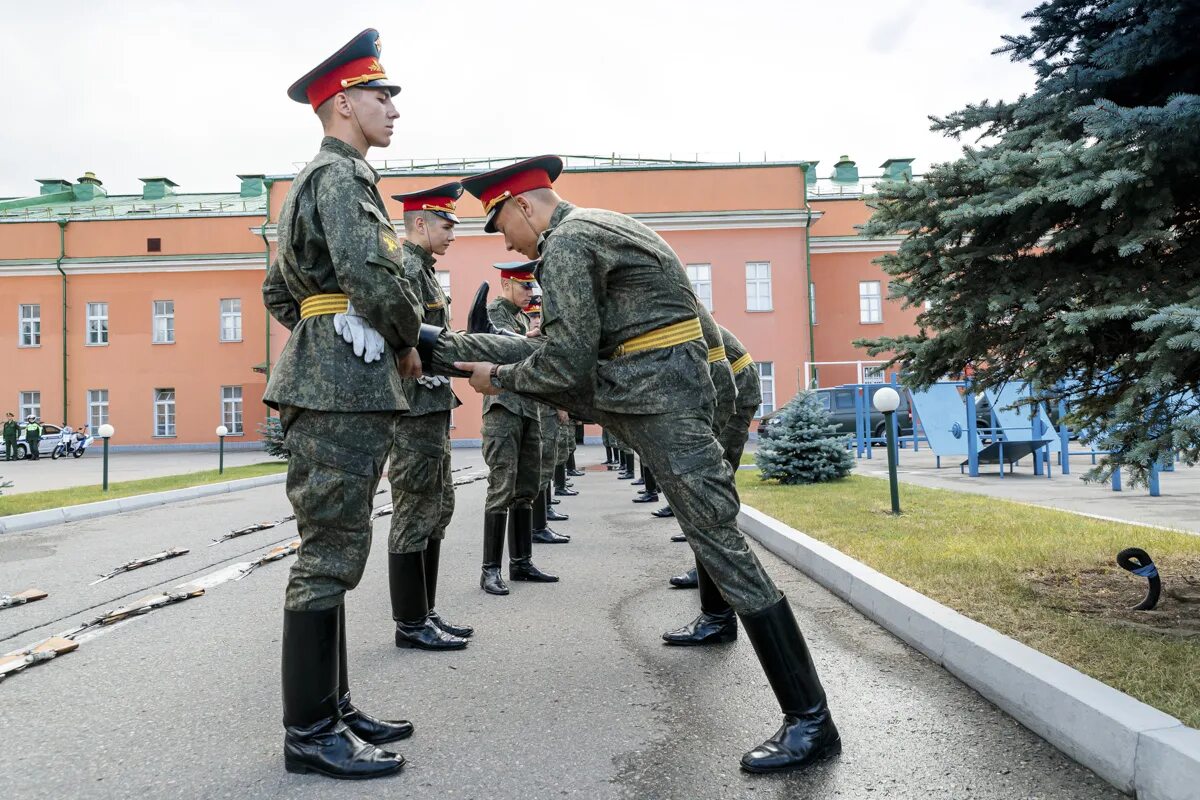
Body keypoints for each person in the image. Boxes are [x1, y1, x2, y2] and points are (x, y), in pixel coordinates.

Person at [412, 155, 840, 774]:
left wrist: (498, 379)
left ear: (525, 207)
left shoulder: (568, 244)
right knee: (710, 533)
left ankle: (811, 720)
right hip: (654, 389)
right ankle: (756, 659)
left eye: (502, 222)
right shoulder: (599, 227)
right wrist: (441, 346)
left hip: (654, 397)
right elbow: (552, 348)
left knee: (718, 538)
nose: (505, 239)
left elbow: (561, 365)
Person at [260, 28, 422, 780]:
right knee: (328, 553)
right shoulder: (344, 178)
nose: (393, 108)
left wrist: (324, 324)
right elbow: (375, 275)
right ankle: (310, 732)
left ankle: (335, 702)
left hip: (330, 381)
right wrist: (396, 336)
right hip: (340, 391)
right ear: (344, 101)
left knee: (340, 545)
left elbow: (276, 293)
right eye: (382, 95)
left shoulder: (306, 184)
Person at [384, 181, 472, 650]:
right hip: (414, 407)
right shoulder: (403, 266)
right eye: (446, 223)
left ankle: (426, 611)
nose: (452, 233)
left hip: (433, 406)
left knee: (438, 507)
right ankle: (410, 623)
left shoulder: (425, 271)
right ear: (420, 223)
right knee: (415, 509)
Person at [477, 261, 559, 595]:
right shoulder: (495, 313)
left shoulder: (522, 318)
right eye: (526, 288)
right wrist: (528, 339)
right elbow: (499, 347)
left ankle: (521, 562)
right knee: (502, 486)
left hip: (528, 409)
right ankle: (490, 570)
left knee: (526, 486)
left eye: (533, 289)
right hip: (503, 409)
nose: (530, 295)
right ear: (508, 284)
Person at [525, 297, 570, 544]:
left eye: (539, 316)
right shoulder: (528, 337)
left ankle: (542, 517)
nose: (537, 321)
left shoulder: (544, 338)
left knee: (548, 461)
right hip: (538, 410)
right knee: (540, 466)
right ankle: (537, 524)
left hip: (545, 408)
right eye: (534, 316)